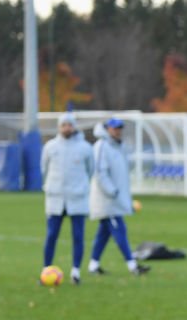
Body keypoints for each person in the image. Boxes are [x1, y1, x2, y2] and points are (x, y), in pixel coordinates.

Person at [88, 118, 149, 276]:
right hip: (107, 200)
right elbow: (100, 173)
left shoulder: (118, 147)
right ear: (107, 129)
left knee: (104, 233)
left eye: (119, 128)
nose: (117, 131)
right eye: (114, 128)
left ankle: (93, 265)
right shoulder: (102, 146)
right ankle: (132, 265)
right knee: (120, 229)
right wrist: (112, 191)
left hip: (116, 199)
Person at [41, 111, 93, 285]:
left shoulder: (85, 148)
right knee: (51, 235)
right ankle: (46, 270)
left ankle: (76, 271)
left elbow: (90, 170)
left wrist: (80, 186)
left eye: (70, 125)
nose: (67, 128)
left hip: (77, 197)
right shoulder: (50, 147)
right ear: (59, 127)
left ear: (74, 127)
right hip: (55, 198)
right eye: (64, 125)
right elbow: (44, 168)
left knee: (78, 236)